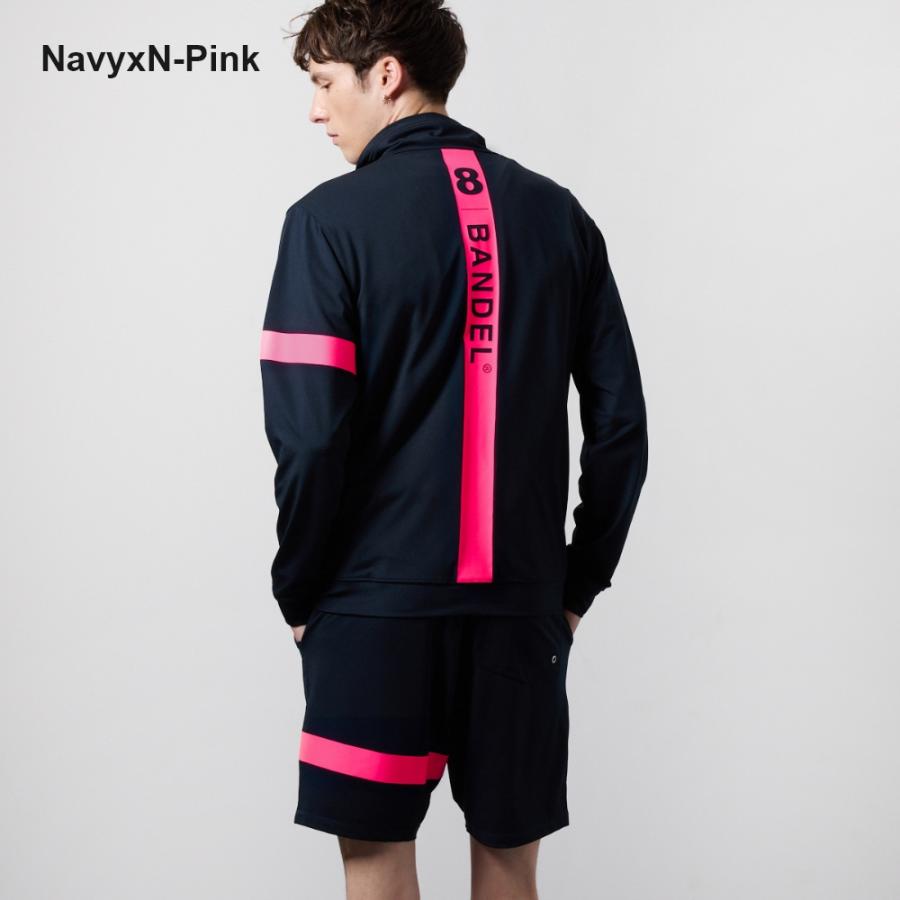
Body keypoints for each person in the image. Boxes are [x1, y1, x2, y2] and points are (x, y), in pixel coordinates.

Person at [259, 2, 649, 897]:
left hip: (371, 612)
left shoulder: (326, 222)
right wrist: (572, 588)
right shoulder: (557, 215)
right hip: (519, 610)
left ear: (385, 75)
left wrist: (300, 587)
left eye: (323, 83)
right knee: (509, 868)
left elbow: (311, 436)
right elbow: (622, 427)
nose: (315, 111)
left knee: (376, 866)